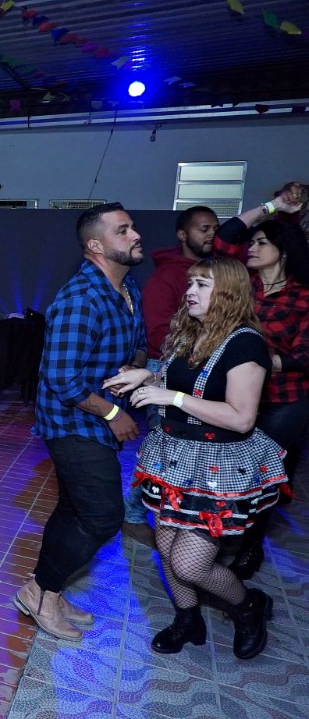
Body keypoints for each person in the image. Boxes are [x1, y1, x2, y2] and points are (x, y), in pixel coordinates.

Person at [103, 257, 286, 660]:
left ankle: (248, 606)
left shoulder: (245, 343)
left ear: (229, 293)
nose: (190, 292)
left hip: (217, 465)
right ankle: (188, 619)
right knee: (167, 547)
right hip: (175, 457)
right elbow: (188, 382)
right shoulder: (192, 332)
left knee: (189, 564)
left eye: (202, 284)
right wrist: (147, 377)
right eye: (191, 283)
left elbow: (241, 417)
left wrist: (171, 397)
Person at [14, 202, 145, 641]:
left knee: (73, 509)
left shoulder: (128, 289)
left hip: (96, 419)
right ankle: (40, 590)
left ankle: (47, 592)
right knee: (103, 515)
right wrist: (113, 412)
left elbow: (140, 343)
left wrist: (135, 368)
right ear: (95, 246)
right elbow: (60, 377)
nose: (135, 235)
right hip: (72, 422)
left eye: (132, 227)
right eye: (122, 230)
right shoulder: (81, 298)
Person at [211, 185, 309, 579]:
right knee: (227, 467)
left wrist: (258, 362)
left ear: (282, 251)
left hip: (283, 402)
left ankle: (250, 543)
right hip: (235, 395)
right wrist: (273, 206)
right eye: (251, 242)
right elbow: (223, 239)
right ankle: (220, 535)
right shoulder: (243, 284)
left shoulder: (303, 296)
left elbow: (305, 356)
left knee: (258, 473)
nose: (251, 247)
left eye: (261, 242)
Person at [124, 206, 219, 548]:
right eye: (203, 228)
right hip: (165, 367)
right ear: (182, 234)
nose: (211, 234)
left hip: (196, 368)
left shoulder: (217, 270)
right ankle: (135, 515)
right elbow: (158, 334)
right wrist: (193, 357)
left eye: (215, 228)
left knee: (187, 450)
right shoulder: (164, 279)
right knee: (163, 448)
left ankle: (182, 518)